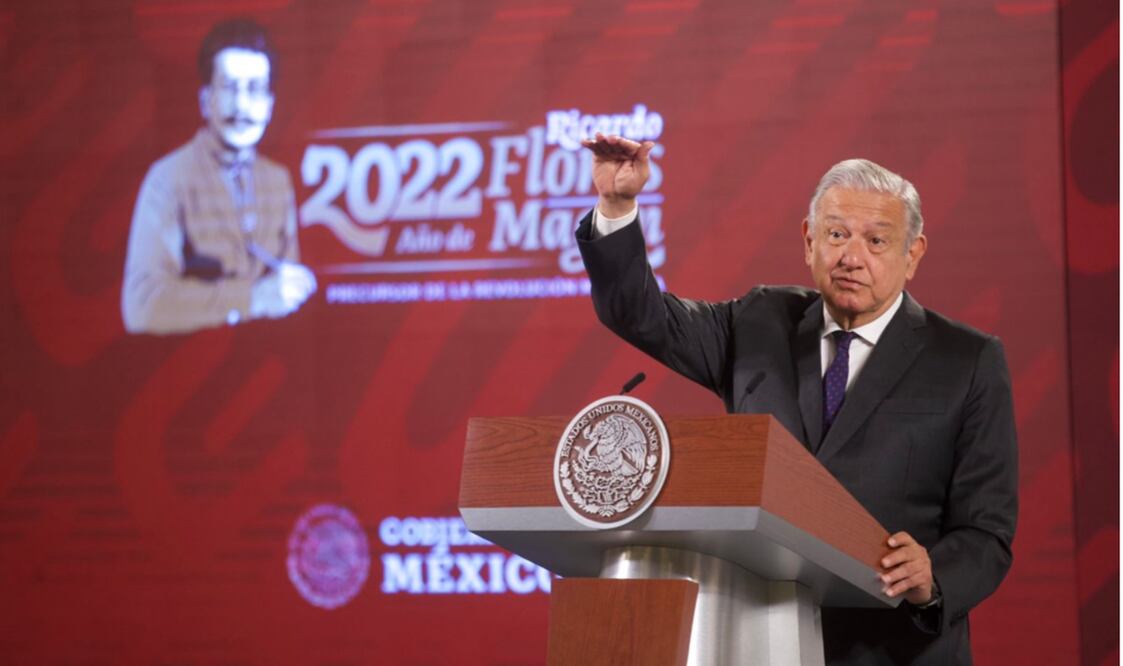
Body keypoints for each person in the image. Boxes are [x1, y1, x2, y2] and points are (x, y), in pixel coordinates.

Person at [577, 133, 1018, 665]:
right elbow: (639, 315)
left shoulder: (967, 360)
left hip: (893, 647)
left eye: (877, 241)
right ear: (809, 240)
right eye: (836, 234)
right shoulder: (759, 322)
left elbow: (987, 531)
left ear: (913, 254)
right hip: (757, 641)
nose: (852, 257)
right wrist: (618, 205)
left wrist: (934, 575)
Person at [121, 18, 315, 335]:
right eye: (229, 88)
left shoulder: (278, 181)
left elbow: (285, 298)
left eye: (254, 90)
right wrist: (252, 298)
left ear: (269, 106)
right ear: (205, 100)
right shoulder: (168, 178)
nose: (242, 106)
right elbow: (141, 307)